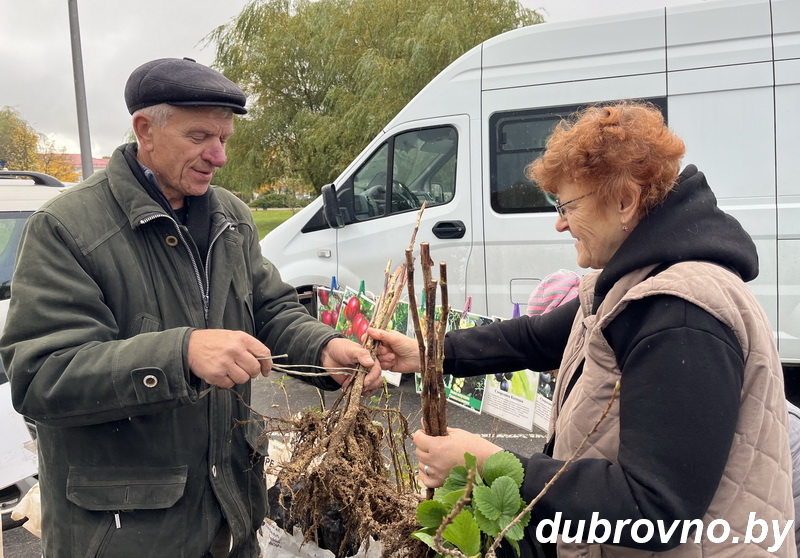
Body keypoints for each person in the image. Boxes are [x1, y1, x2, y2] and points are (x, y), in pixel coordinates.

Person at [369, 101, 796, 556]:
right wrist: (426, 353)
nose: (559, 223)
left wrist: (491, 463)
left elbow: (654, 510)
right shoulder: (632, 283)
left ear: (625, 201)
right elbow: (534, 338)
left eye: (567, 205)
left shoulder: (681, 315)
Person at [0, 57, 383, 558]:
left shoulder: (232, 218)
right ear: (145, 130)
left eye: (224, 138)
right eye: (200, 136)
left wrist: (325, 349)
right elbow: (41, 375)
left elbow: (270, 312)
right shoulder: (65, 228)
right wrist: (180, 355)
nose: (218, 155)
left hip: (232, 522)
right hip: (124, 536)